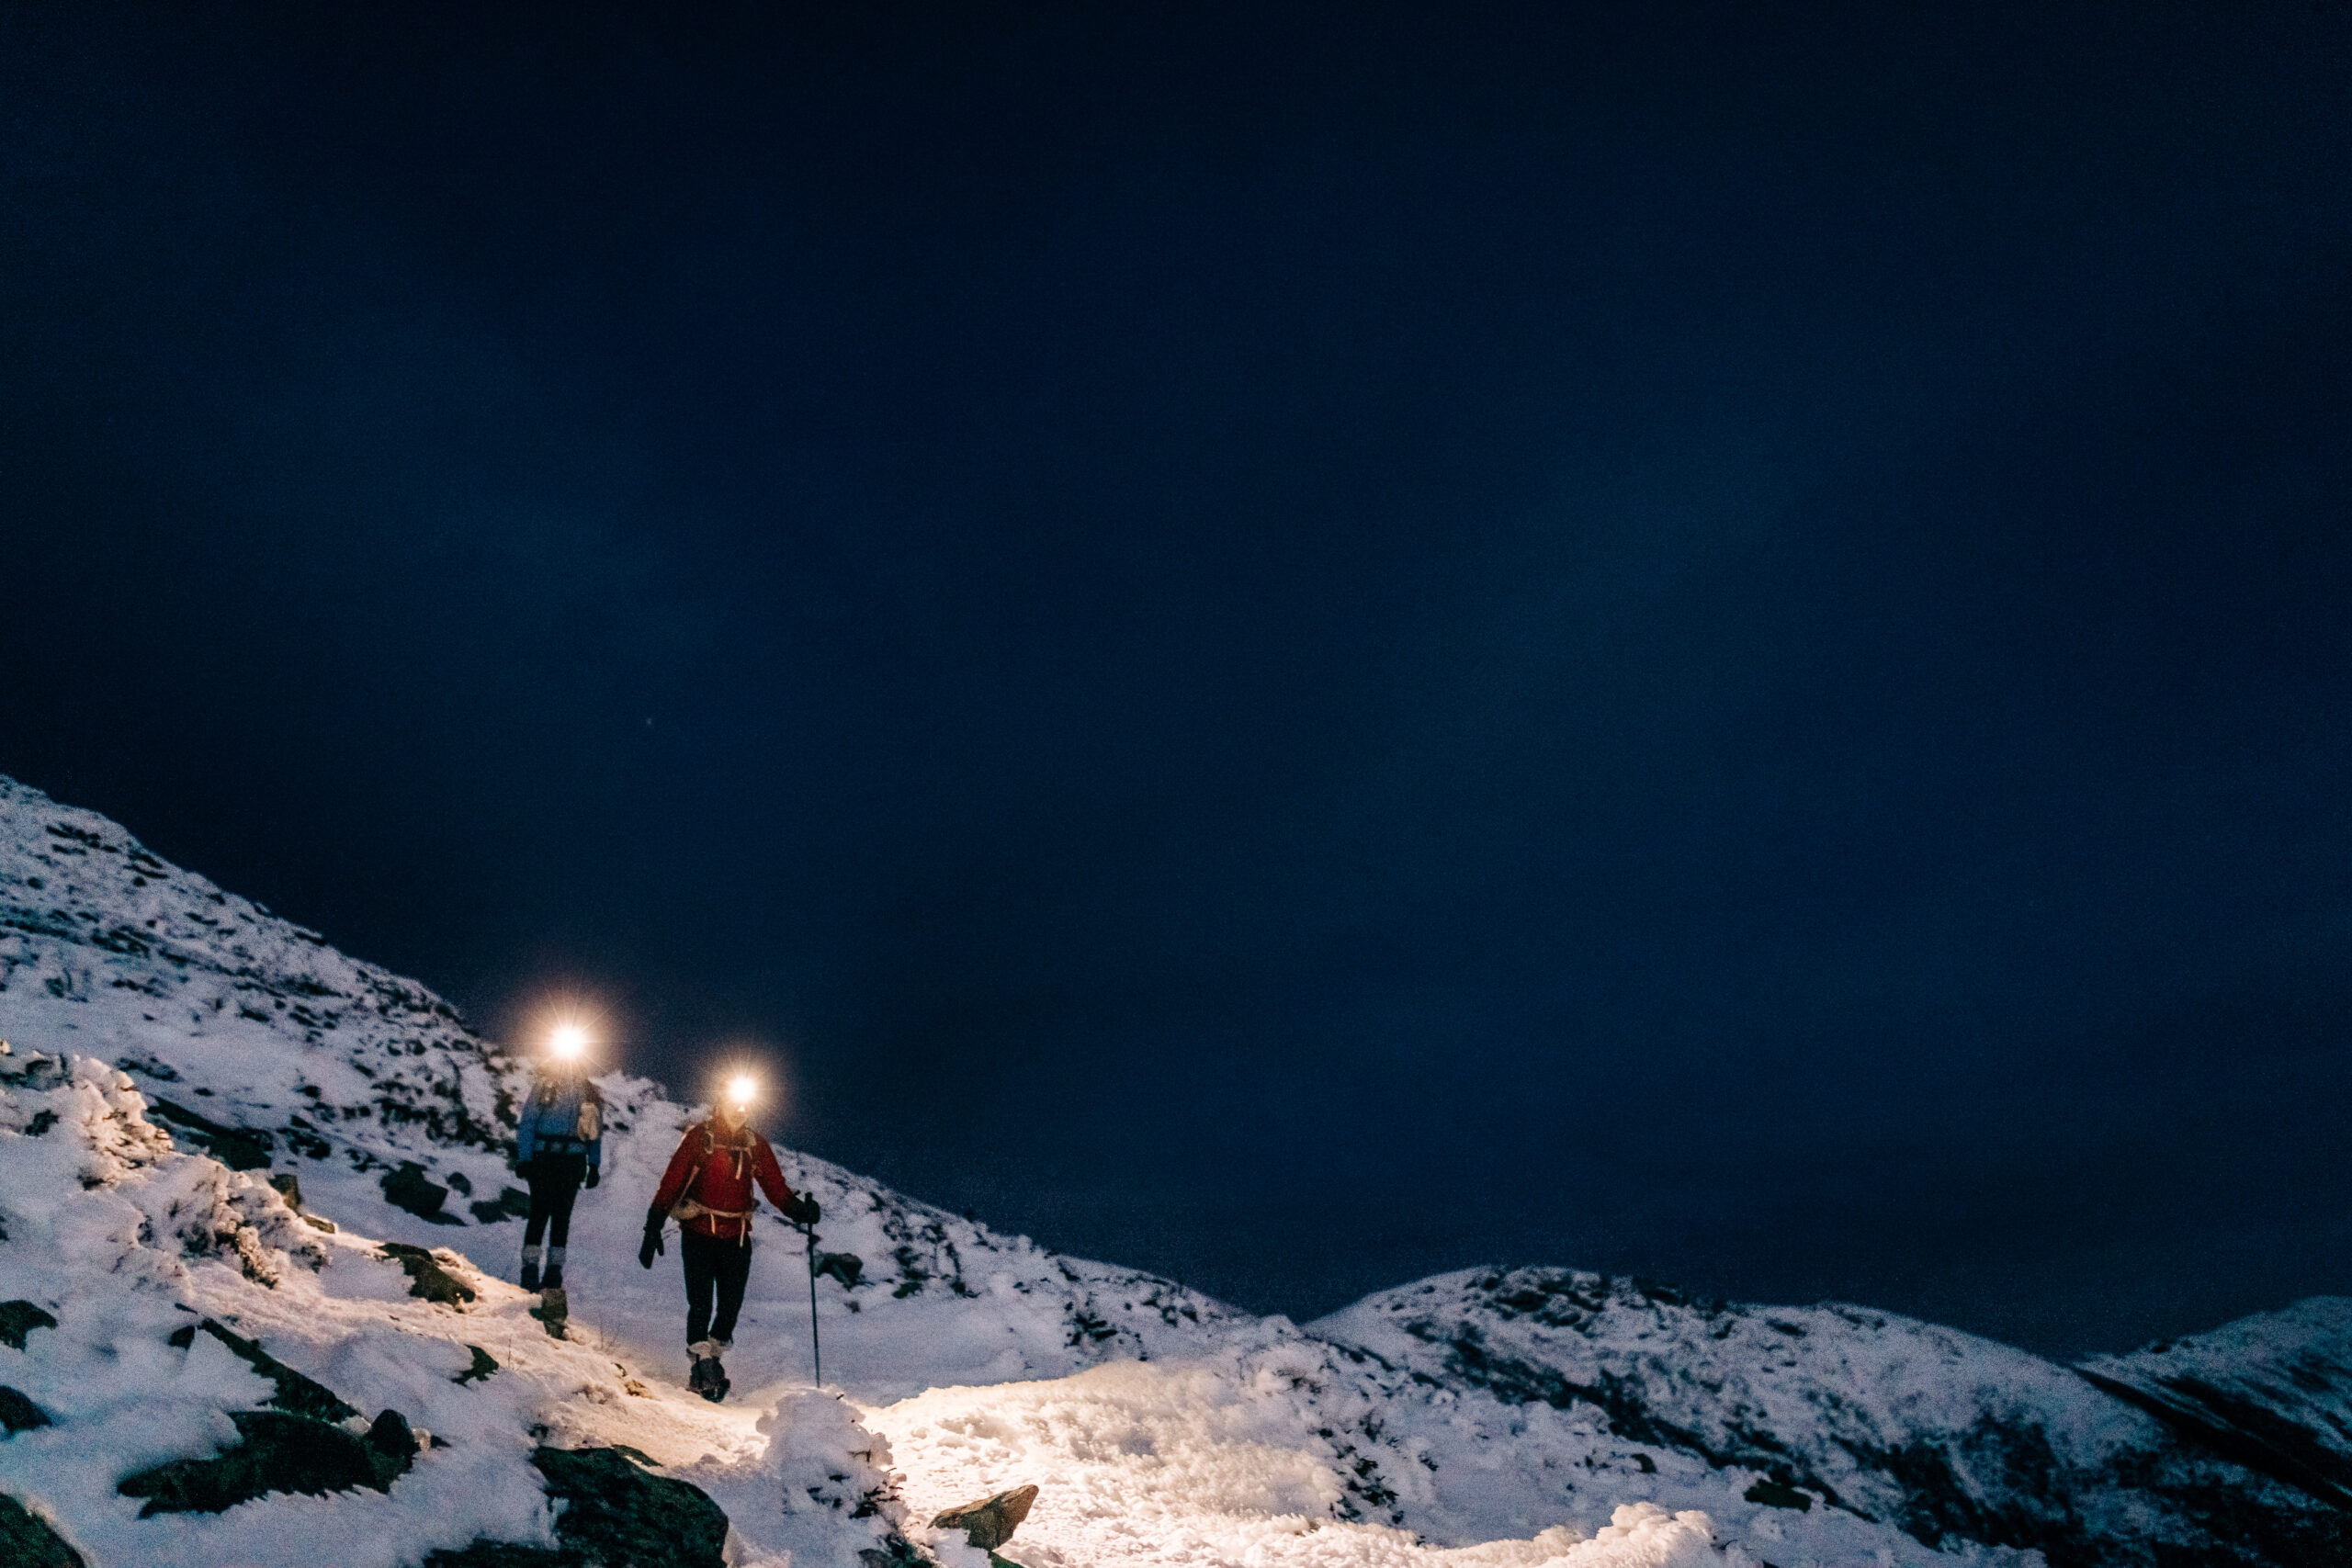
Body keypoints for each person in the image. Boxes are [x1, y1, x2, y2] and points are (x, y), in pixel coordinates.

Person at [640, 1077, 818, 1401]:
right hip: (698, 1235)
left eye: (746, 1104)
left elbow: (775, 1187)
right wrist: (653, 1224)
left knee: (730, 1307)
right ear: (720, 1102)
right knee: (701, 1303)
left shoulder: (754, 1145)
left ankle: (711, 1361)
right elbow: (673, 1181)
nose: (740, 1109)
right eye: (735, 1102)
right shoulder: (700, 1138)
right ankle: (703, 1368)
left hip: (736, 1239)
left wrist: (799, 1210)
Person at [514, 1031, 604, 1292]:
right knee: (541, 1211)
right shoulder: (546, 1085)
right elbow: (528, 1122)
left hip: (571, 1161)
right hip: (545, 1158)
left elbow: (594, 1131)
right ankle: (531, 1268)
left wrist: (594, 1164)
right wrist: (525, 1158)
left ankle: (553, 1271)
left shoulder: (589, 1092)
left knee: (561, 1215)